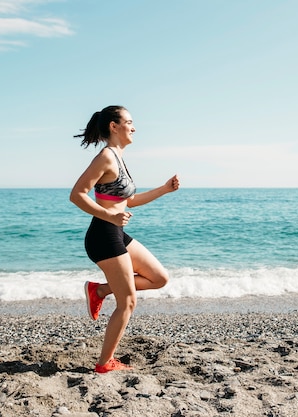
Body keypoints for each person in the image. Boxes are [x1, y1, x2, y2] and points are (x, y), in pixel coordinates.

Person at [70, 105, 180, 373]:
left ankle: (99, 290)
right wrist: (109, 216)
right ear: (113, 126)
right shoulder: (106, 157)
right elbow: (77, 194)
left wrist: (164, 190)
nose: (133, 127)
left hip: (115, 232)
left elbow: (129, 200)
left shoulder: (119, 157)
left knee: (159, 278)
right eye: (129, 122)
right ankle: (104, 363)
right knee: (128, 301)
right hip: (103, 235)